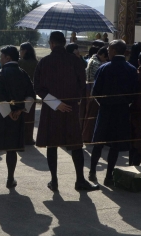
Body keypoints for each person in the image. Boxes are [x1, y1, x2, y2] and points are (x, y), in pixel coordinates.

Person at [35, 31, 97, 192]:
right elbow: (82, 85)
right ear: (64, 43)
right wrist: (73, 100)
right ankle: (80, 180)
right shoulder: (75, 61)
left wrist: (56, 103)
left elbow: (37, 88)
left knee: (52, 145)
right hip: (71, 107)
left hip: (51, 109)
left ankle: (54, 181)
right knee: (76, 145)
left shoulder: (44, 62)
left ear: (51, 44)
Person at [89, 39, 139, 186]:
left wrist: (103, 103)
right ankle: (109, 175)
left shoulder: (104, 68)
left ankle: (92, 171)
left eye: (109, 49)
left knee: (98, 142)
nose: (107, 52)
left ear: (114, 51)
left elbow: (95, 92)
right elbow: (134, 93)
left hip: (105, 109)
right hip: (122, 111)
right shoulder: (131, 69)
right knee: (115, 145)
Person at [0, 45, 35, 189]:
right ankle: (10, 179)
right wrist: (19, 111)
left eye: (1, 57)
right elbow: (31, 95)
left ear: (8, 58)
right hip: (16, 117)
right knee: (12, 149)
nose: (0, 59)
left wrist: (8, 113)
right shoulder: (23, 74)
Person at [82, 46, 109, 143]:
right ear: (102, 55)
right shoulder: (96, 63)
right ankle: (88, 137)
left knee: (90, 115)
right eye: (106, 57)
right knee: (92, 116)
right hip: (93, 92)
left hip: (90, 90)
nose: (106, 60)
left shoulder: (92, 60)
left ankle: (87, 136)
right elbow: (95, 81)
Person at [18, 42, 39, 145]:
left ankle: (19, 137)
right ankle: (28, 138)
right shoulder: (36, 63)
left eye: (21, 50)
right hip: (31, 92)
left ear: (25, 51)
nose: (20, 52)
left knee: (20, 114)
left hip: (20, 92)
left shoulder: (19, 63)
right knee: (30, 116)